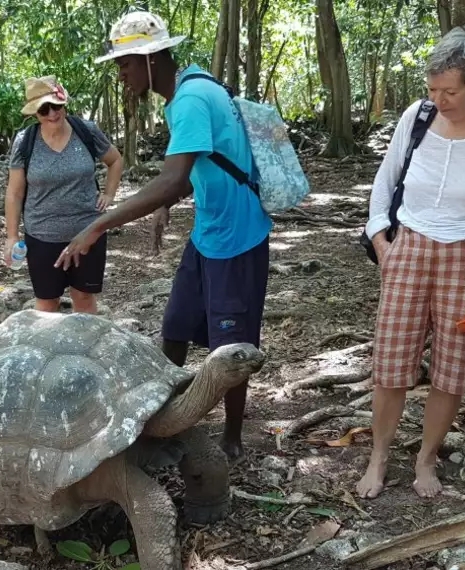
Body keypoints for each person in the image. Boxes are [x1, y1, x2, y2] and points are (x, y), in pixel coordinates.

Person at [55, 11, 272, 460]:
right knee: (175, 325)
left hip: (236, 239)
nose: (121, 74)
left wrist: (98, 225)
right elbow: (201, 166)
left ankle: (232, 439)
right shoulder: (190, 90)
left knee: (232, 345)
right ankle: (161, 418)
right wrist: (169, 205)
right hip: (209, 232)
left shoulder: (191, 98)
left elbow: (173, 178)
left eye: (125, 64)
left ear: (151, 59)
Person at [358, 27, 465, 499]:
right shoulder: (419, 115)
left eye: (450, 91)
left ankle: (426, 458)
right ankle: (378, 456)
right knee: (391, 358)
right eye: (432, 89)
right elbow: (386, 178)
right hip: (410, 245)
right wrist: (381, 239)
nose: (439, 100)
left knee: (454, 364)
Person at [4, 75, 123, 313]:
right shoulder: (24, 141)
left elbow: (116, 160)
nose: (52, 114)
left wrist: (109, 194)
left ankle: (87, 350)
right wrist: (11, 236)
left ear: (64, 103)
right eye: (43, 109)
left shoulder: (86, 131)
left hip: (88, 232)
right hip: (42, 236)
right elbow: (14, 192)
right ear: (35, 114)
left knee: (84, 297)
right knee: (47, 303)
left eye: (56, 106)